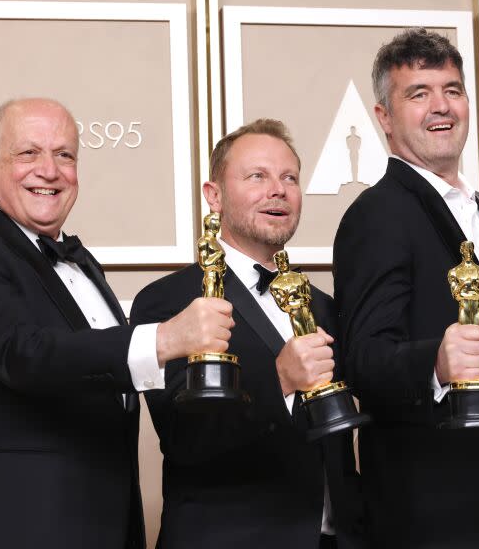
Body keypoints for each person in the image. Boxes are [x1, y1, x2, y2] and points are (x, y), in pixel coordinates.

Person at [0, 98, 233, 548]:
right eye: (28, 153)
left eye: (64, 154)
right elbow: (25, 354)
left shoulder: (84, 264)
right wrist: (164, 339)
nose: (49, 170)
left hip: (98, 522)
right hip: (5, 526)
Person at [333, 28, 479, 548]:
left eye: (453, 90)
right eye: (418, 93)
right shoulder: (376, 215)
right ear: (384, 118)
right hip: (441, 508)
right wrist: (435, 365)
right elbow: (364, 361)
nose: (441, 106)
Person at [130, 119, 365, 549]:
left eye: (289, 178)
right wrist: (281, 381)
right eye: (257, 176)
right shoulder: (167, 301)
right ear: (213, 196)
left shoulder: (326, 306)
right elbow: (187, 438)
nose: (278, 190)